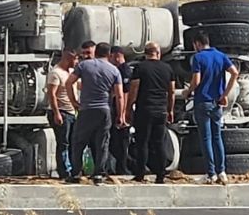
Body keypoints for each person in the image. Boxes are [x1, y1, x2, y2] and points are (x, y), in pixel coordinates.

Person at [182, 31, 239, 185]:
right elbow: (234, 73)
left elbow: (197, 80)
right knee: (217, 136)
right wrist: (225, 94)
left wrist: (188, 91)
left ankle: (210, 173)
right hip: (217, 102)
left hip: (202, 101)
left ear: (197, 43)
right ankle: (222, 172)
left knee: (205, 138)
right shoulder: (220, 56)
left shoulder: (198, 58)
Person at [65, 42, 126, 185]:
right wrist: (121, 114)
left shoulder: (84, 66)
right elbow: (120, 94)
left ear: (95, 52)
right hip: (104, 109)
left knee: (78, 141)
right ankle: (99, 173)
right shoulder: (114, 70)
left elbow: (69, 82)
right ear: (109, 54)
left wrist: (73, 101)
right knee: (102, 142)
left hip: (86, 108)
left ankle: (76, 173)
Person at [126, 41, 175, 183]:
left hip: (145, 109)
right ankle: (161, 175)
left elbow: (134, 89)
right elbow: (171, 92)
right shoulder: (167, 68)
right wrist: (170, 109)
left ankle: (140, 173)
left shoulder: (140, 68)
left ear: (145, 53)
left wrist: (129, 108)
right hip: (160, 110)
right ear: (158, 53)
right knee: (159, 142)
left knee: (142, 142)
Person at [46, 48, 78, 178]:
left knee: (72, 141)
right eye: (75, 59)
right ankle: (64, 170)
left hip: (72, 111)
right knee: (63, 142)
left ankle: (72, 168)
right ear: (69, 58)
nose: (77, 62)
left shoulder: (70, 72)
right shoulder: (55, 73)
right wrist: (56, 113)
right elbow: (52, 94)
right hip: (62, 111)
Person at [107, 46, 133, 175]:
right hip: (116, 107)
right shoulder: (117, 70)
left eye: (111, 57)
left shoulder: (124, 70)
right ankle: (121, 165)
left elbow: (125, 93)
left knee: (121, 141)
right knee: (113, 140)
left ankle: (123, 166)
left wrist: (123, 112)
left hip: (121, 109)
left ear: (117, 56)